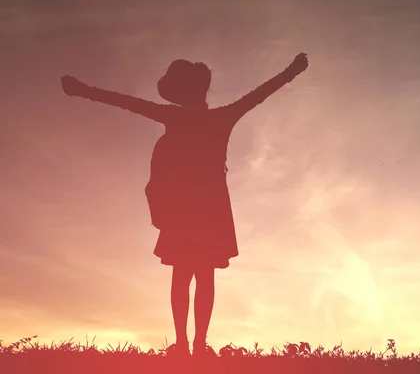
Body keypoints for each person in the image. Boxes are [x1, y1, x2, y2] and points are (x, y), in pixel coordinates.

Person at [61, 53, 309, 357]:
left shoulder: (177, 116)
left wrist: (84, 90)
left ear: (186, 91)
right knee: (203, 276)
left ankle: (184, 345)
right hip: (208, 210)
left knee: (184, 276)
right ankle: (196, 345)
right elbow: (259, 94)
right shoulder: (220, 117)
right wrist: (291, 71)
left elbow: (126, 102)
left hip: (185, 210)